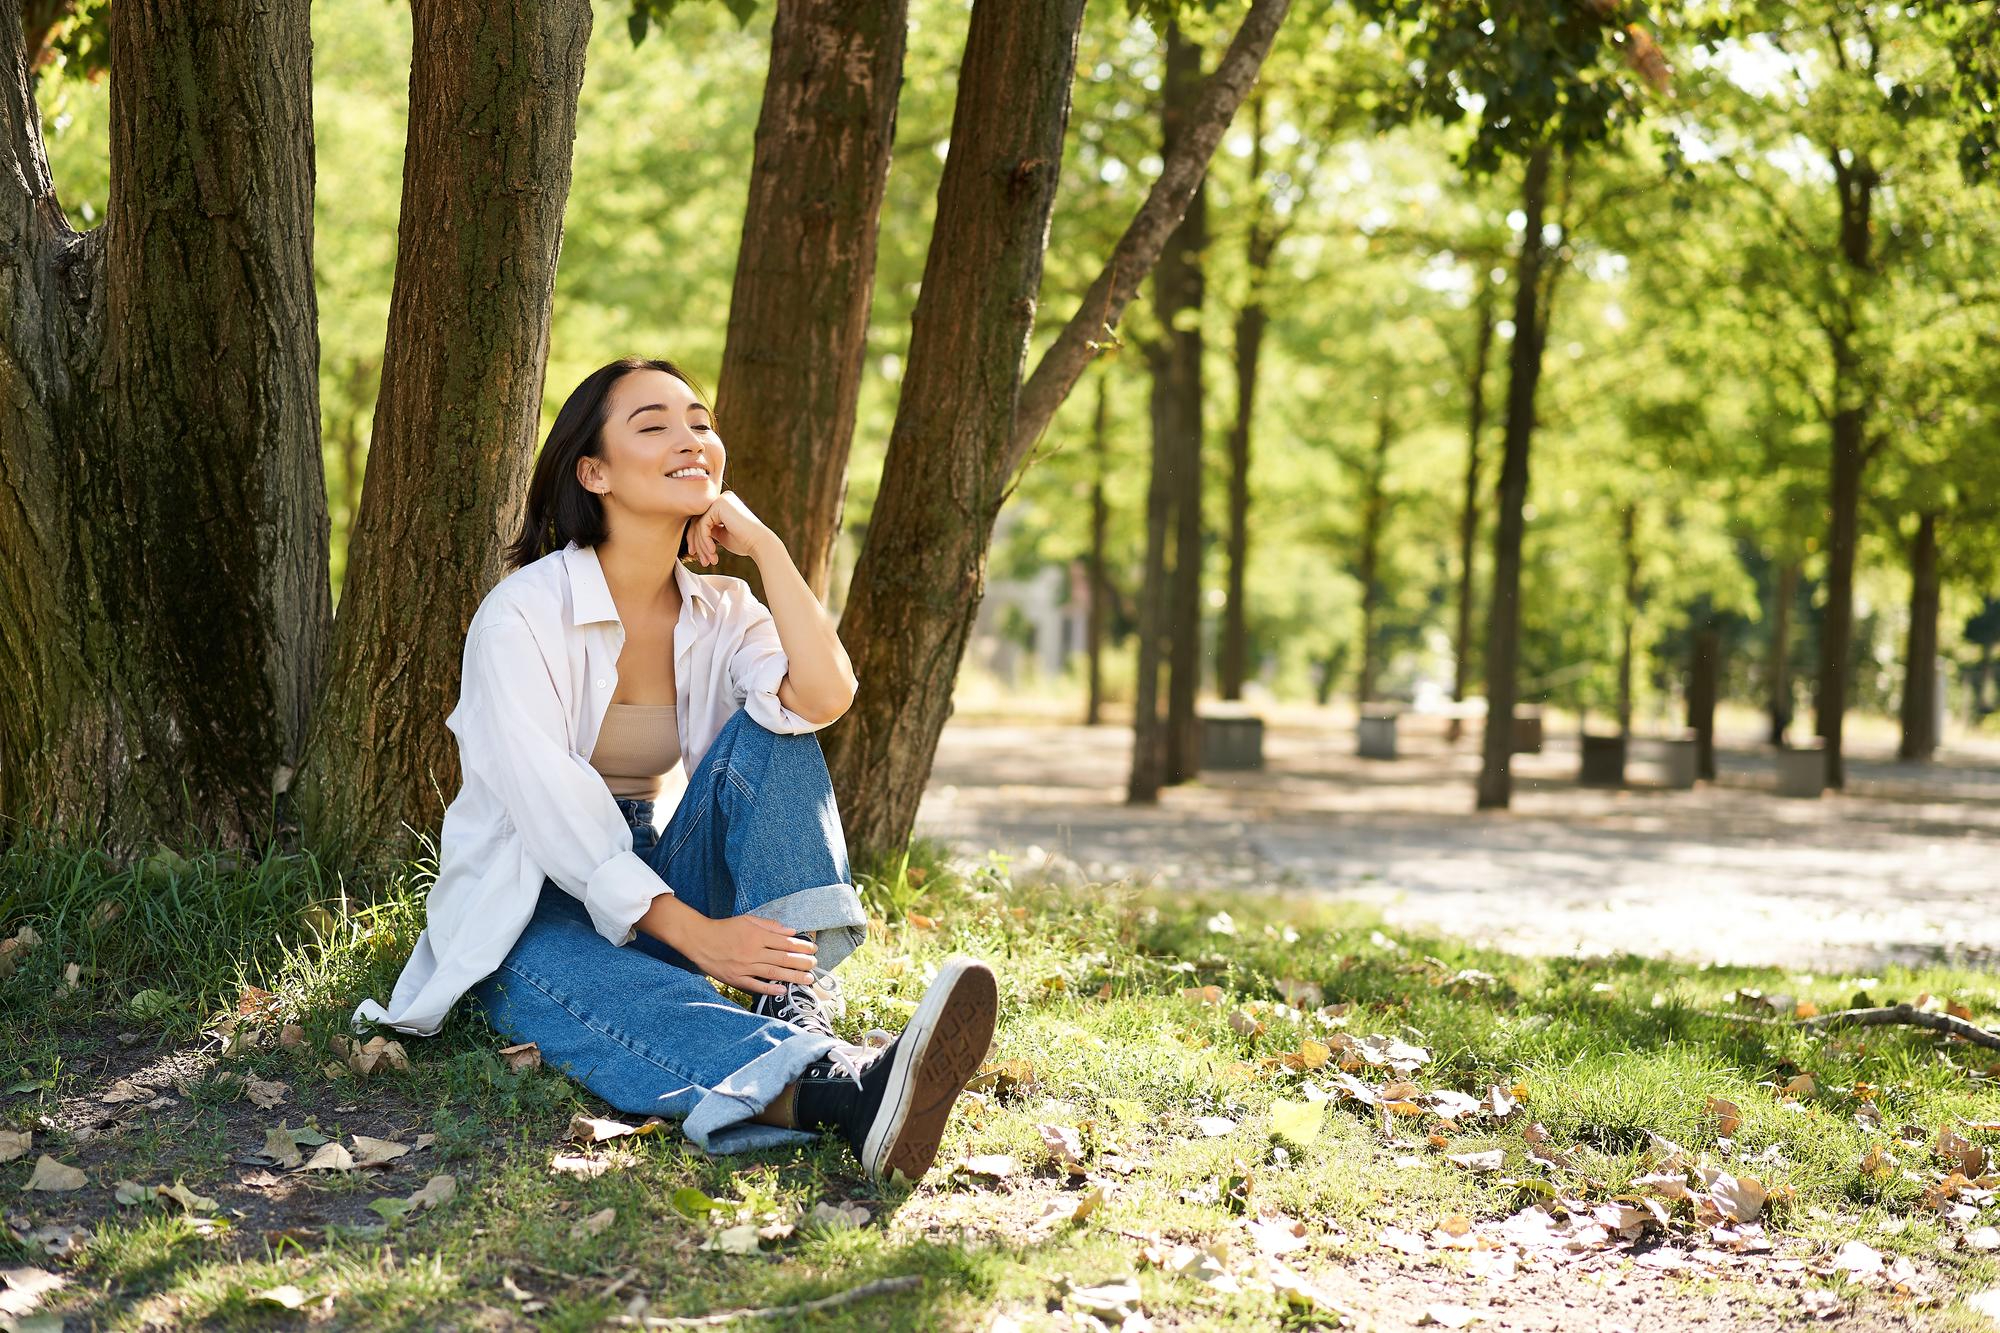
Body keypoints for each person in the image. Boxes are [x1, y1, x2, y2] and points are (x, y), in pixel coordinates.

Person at [351, 355, 996, 1184]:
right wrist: (698, 935)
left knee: (776, 725)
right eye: (653, 425)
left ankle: (792, 999)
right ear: (594, 472)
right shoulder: (522, 615)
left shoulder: (722, 607)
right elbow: (555, 818)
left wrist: (763, 546)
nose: (691, 439)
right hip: (530, 897)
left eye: (699, 422)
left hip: (656, 864)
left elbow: (823, 696)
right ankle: (846, 1093)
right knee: (603, 994)